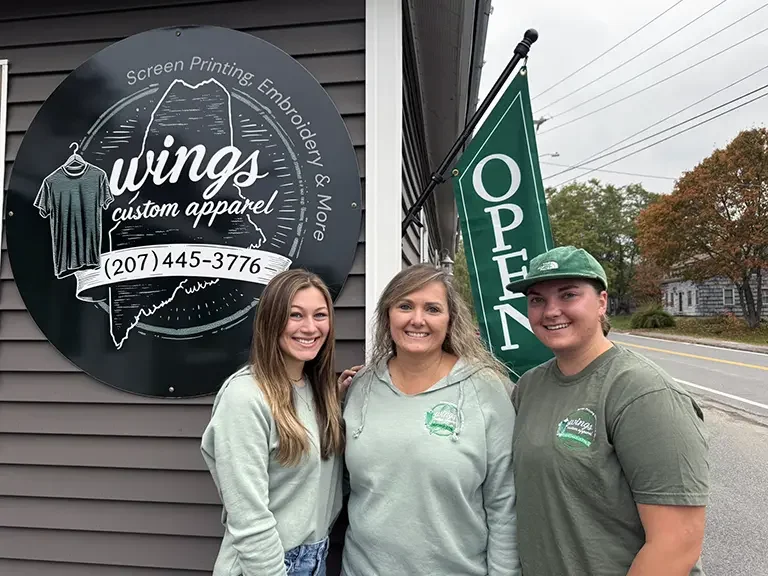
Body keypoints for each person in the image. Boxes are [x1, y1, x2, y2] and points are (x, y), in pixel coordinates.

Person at [506, 245, 710, 576]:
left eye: (568, 295)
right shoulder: (529, 386)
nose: (551, 311)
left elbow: (677, 543)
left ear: (602, 302)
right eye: (537, 300)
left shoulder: (642, 392)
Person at [339, 263, 521, 576]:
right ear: (387, 315)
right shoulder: (361, 386)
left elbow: (505, 501)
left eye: (432, 309)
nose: (417, 319)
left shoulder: (486, 389)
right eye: (405, 306)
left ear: (450, 321)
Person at [201, 269, 345, 576]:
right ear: (271, 320)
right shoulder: (245, 397)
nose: (310, 327)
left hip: (316, 557)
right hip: (269, 564)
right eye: (295, 315)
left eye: (320, 315)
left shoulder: (317, 390)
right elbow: (248, 517)